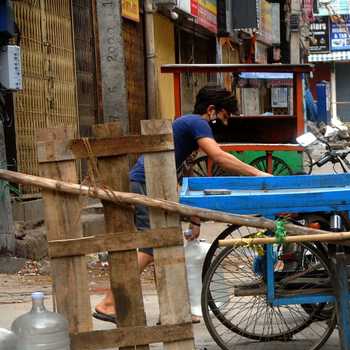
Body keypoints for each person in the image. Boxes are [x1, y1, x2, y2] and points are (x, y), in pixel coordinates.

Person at [93, 85, 269, 324]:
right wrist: (259, 174)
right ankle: (108, 303)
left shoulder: (187, 126)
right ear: (211, 110)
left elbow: (184, 176)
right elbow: (219, 157)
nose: (224, 124)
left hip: (154, 184)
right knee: (150, 248)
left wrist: (193, 219)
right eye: (224, 117)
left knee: (166, 246)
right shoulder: (197, 123)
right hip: (144, 182)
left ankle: (172, 312)